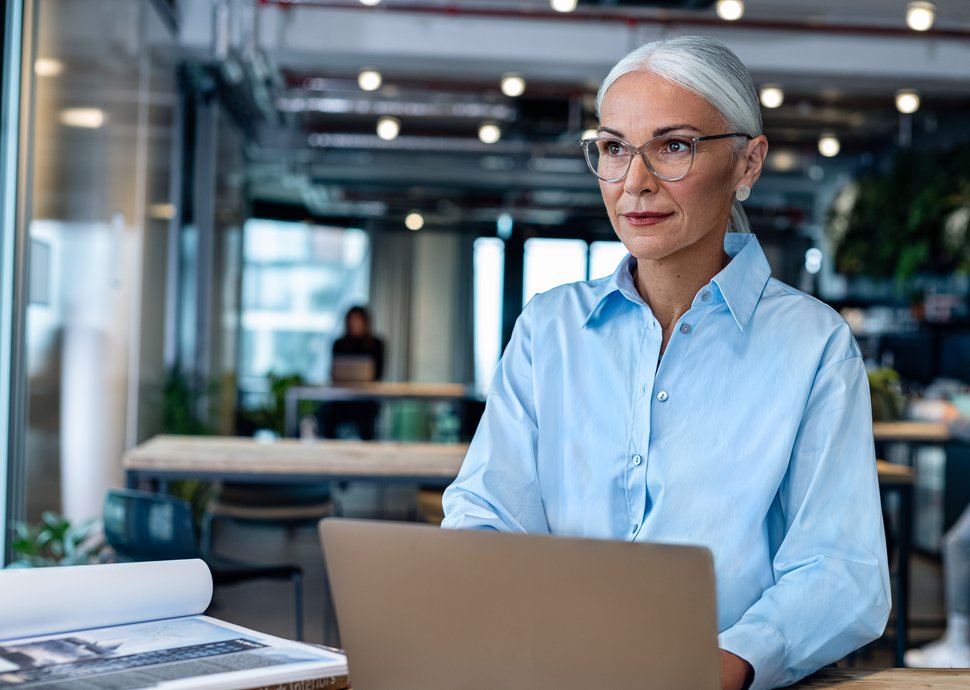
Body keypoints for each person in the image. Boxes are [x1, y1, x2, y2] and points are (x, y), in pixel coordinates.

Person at [442, 35, 890, 690]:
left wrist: (723, 664)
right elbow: (487, 513)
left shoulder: (813, 346)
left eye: (674, 145)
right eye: (616, 148)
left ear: (748, 162)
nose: (635, 183)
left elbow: (841, 570)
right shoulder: (549, 327)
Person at [322, 305, 385, 440]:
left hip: (366, 398)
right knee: (327, 415)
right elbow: (333, 372)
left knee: (366, 417)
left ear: (366, 322)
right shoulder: (339, 344)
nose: (355, 323)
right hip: (343, 397)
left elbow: (379, 373)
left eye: (358, 320)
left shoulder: (376, 344)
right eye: (352, 320)